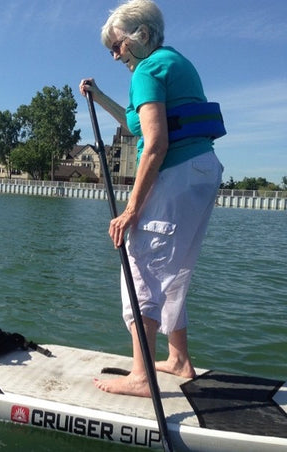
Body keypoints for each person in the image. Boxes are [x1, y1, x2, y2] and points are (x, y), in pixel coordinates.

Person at [79, 0, 224, 398]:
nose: (114, 55)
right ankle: (179, 360)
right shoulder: (172, 62)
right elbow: (134, 125)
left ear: (141, 35)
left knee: (140, 263)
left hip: (174, 172)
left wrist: (130, 211)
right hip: (202, 170)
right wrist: (100, 96)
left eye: (117, 45)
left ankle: (142, 376)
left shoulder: (147, 68)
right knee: (173, 269)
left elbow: (155, 145)